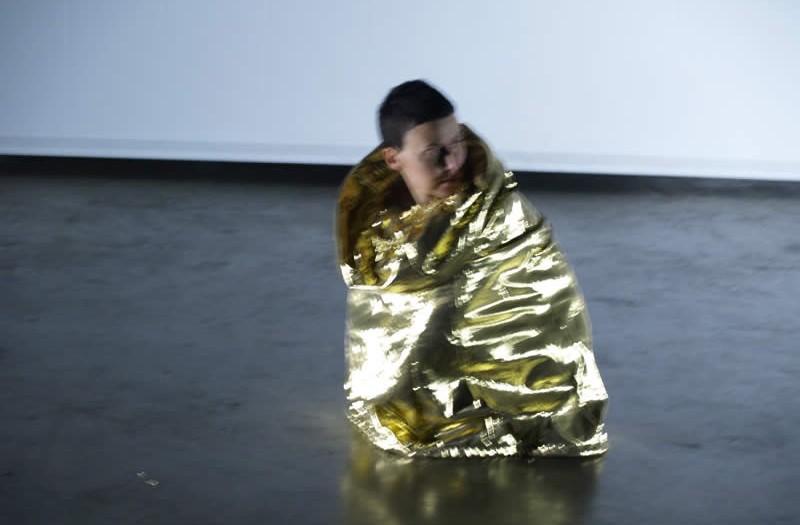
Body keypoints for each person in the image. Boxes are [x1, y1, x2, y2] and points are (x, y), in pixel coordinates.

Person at [335, 80, 608, 458]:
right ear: (393, 160)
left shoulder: (499, 211)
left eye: (457, 144)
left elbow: (543, 302)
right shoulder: (374, 235)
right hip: (415, 405)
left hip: (526, 400)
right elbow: (383, 323)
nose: (453, 163)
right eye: (433, 153)